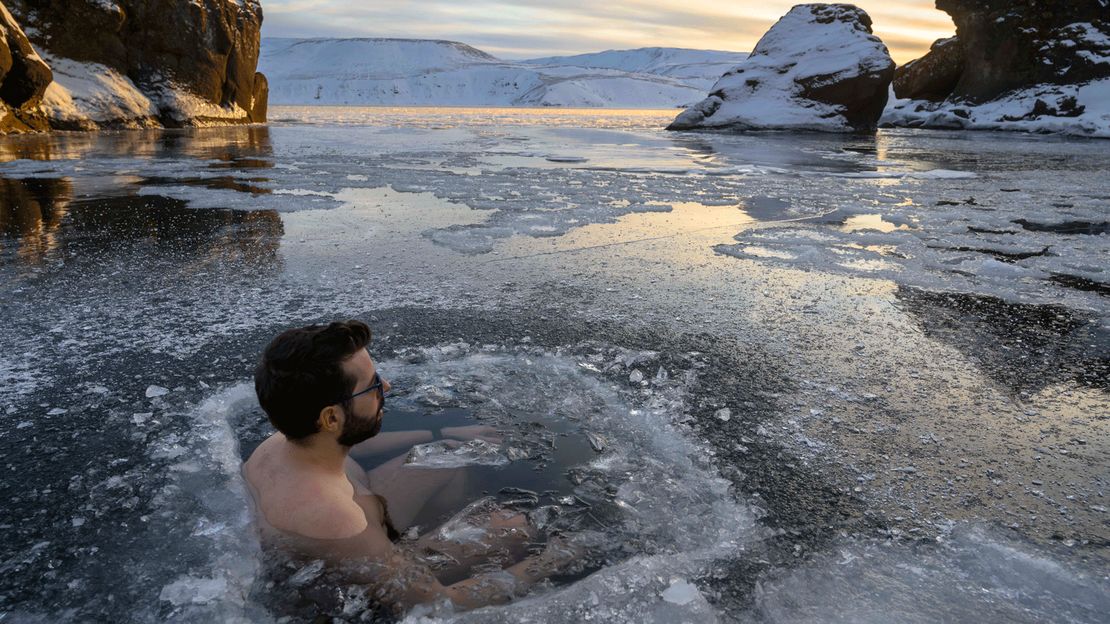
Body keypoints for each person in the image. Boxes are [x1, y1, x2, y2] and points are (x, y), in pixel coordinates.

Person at [243, 320, 579, 614]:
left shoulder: (281, 444)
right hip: (363, 578)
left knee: (445, 457)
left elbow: (353, 442)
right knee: (515, 526)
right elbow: (432, 604)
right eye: (373, 386)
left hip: (365, 515)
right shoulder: (335, 519)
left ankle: (440, 529)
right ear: (331, 417)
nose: (386, 387)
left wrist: (439, 431)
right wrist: (552, 560)